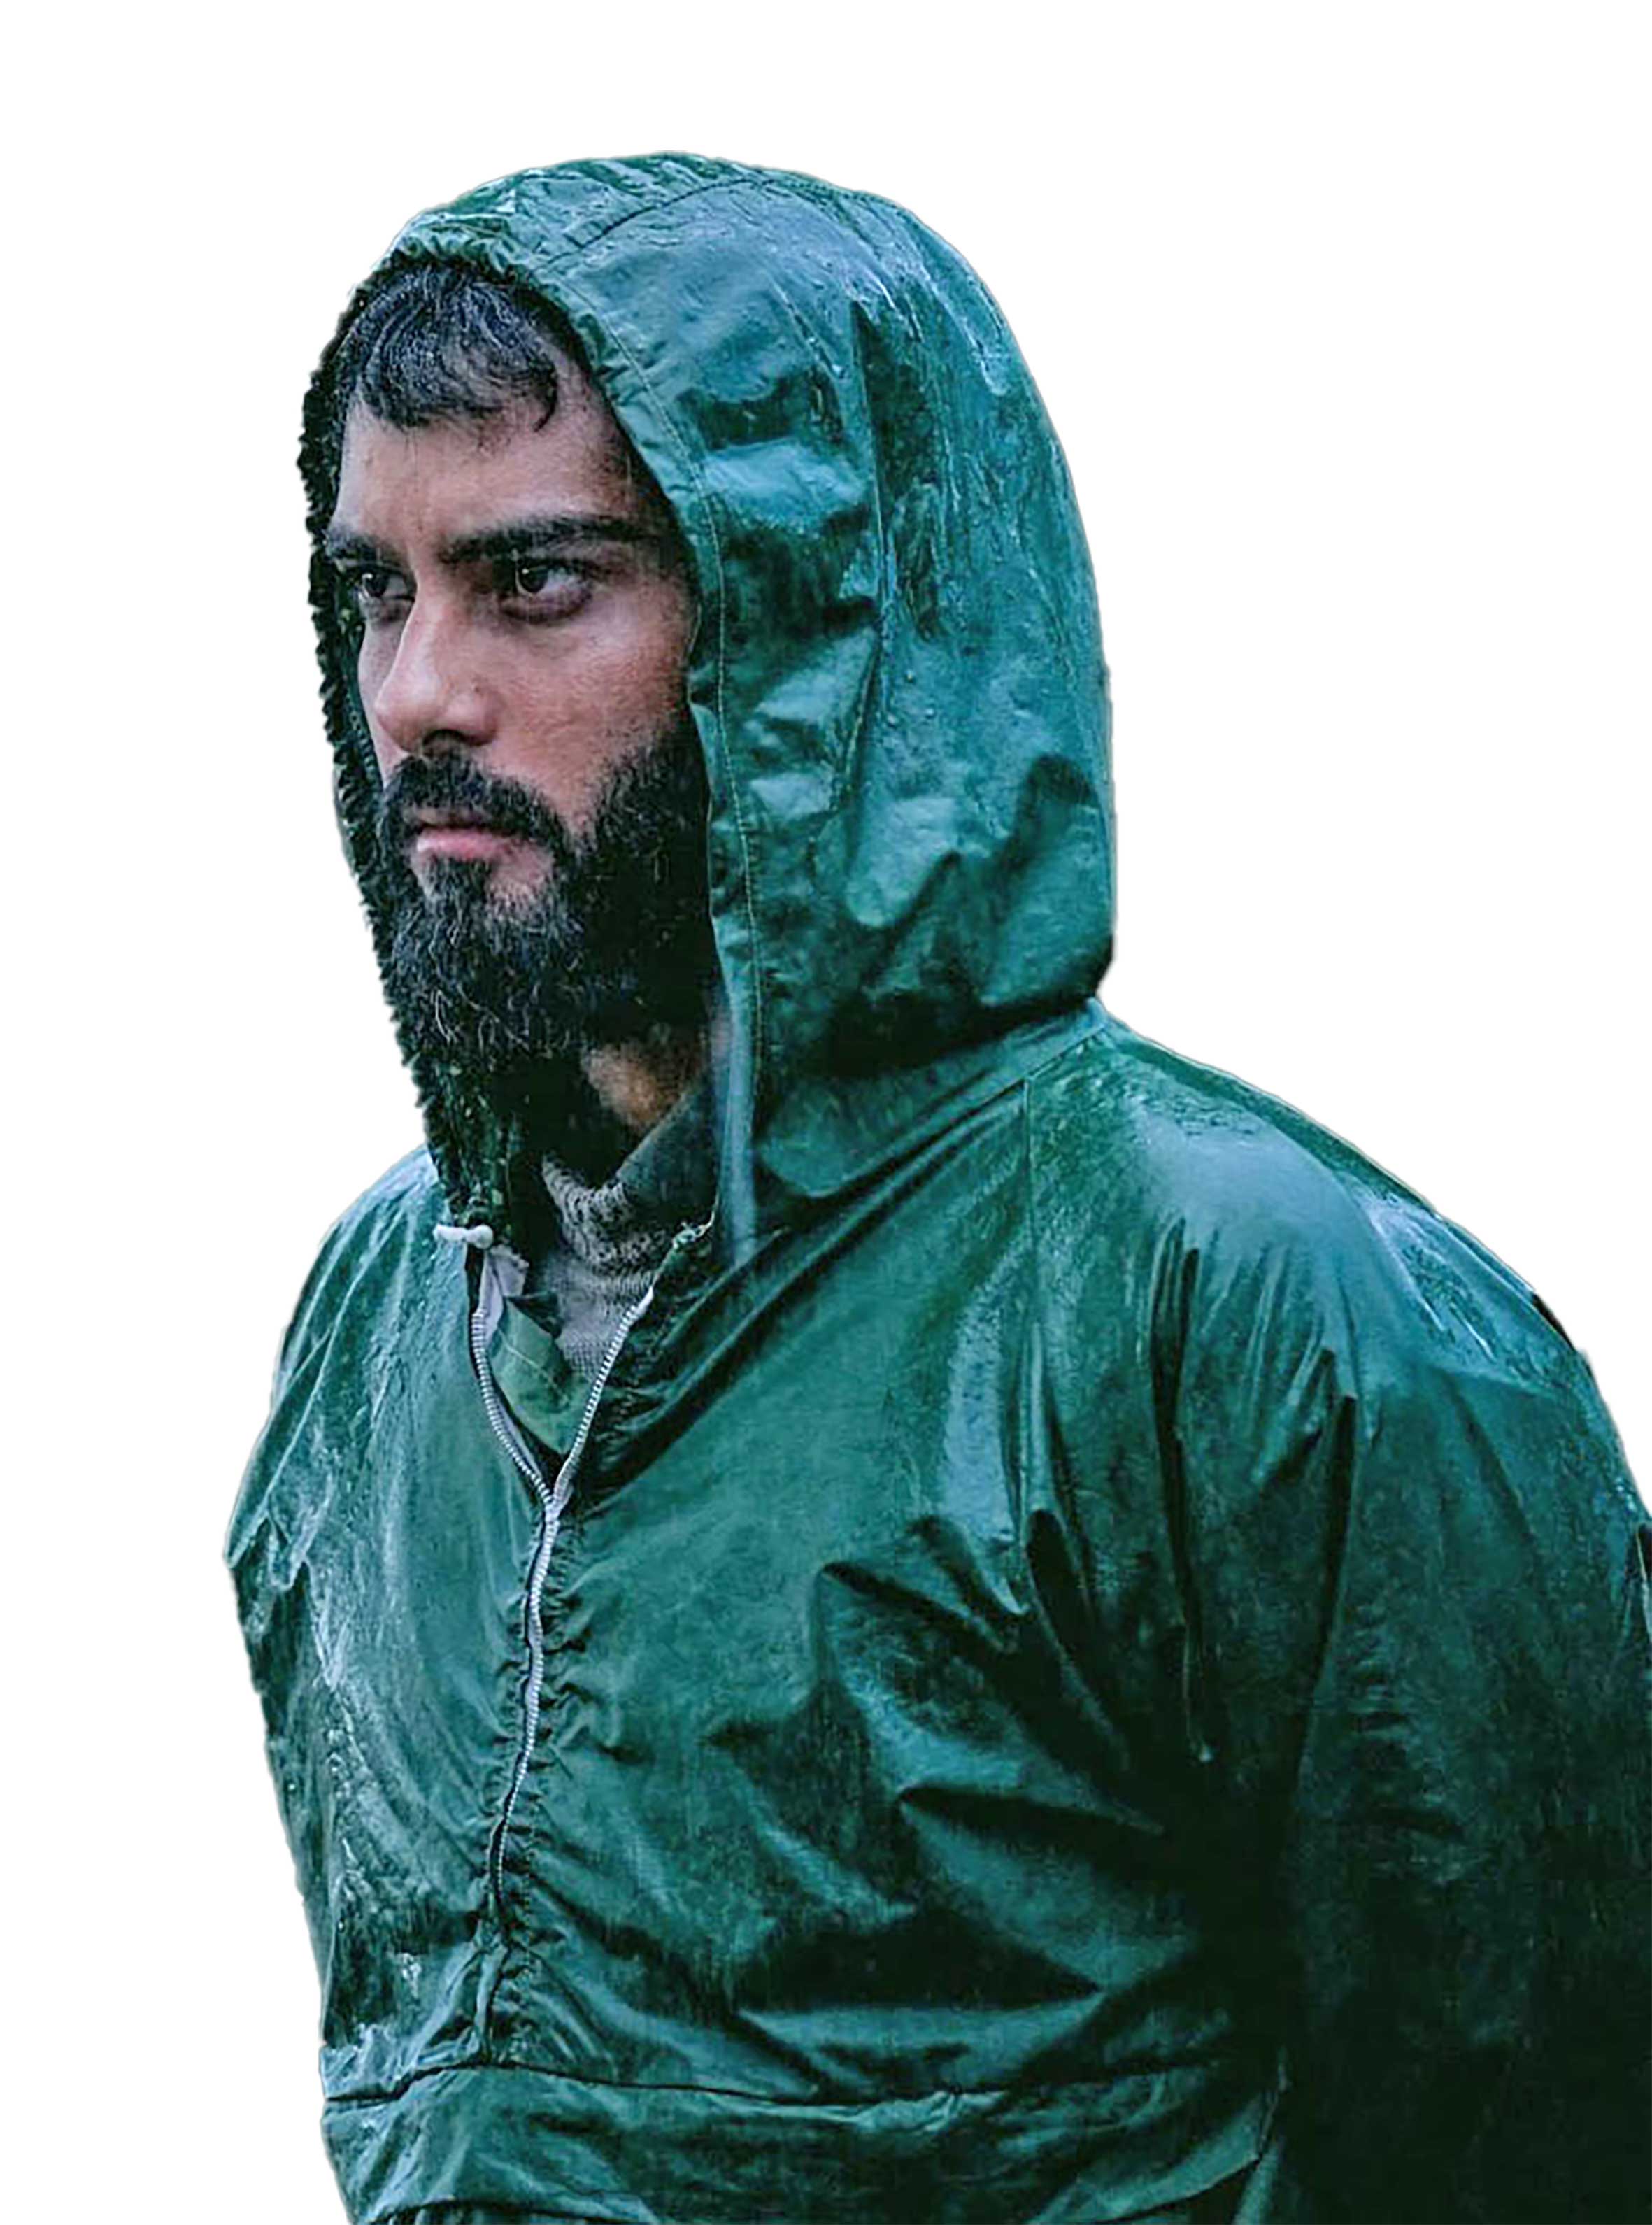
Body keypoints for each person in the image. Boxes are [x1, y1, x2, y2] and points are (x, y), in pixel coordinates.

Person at [228, 155, 1650, 2225]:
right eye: (376, 592)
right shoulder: (379, 1324)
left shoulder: (1268, 1317)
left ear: (825, 634)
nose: (418, 693)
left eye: (536, 582)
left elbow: (1550, 2135)